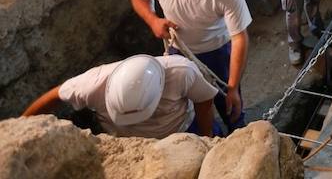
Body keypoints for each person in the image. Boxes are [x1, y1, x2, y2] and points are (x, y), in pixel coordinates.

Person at [130, 0, 252, 135]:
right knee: (192, 106)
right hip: (179, 51)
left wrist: (234, 87)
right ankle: (211, 139)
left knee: (228, 102)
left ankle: (238, 130)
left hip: (217, 51)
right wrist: (153, 20)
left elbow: (239, 38)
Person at [23, 54, 217, 139]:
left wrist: (206, 136)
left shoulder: (181, 72)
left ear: (160, 89)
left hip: (183, 129)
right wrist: (20, 126)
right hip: (129, 141)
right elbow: (53, 96)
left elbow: (204, 99)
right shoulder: (92, 84)